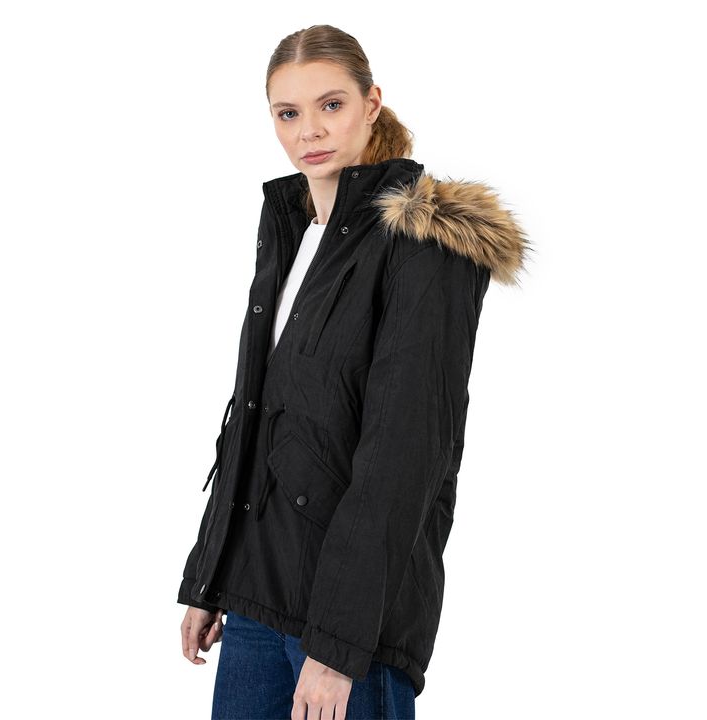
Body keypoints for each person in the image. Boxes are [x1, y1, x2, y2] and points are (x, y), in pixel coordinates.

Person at [178, 23, 530, 720]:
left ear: (372, 104)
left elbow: (405, 454)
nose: (309, 130)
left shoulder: (423, 240)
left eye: (331, 105)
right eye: (288, 112)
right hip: (255, 596)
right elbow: (254, 416)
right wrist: (210, 575)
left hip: (348, 623)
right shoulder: (292, 232)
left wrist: (338, 645)